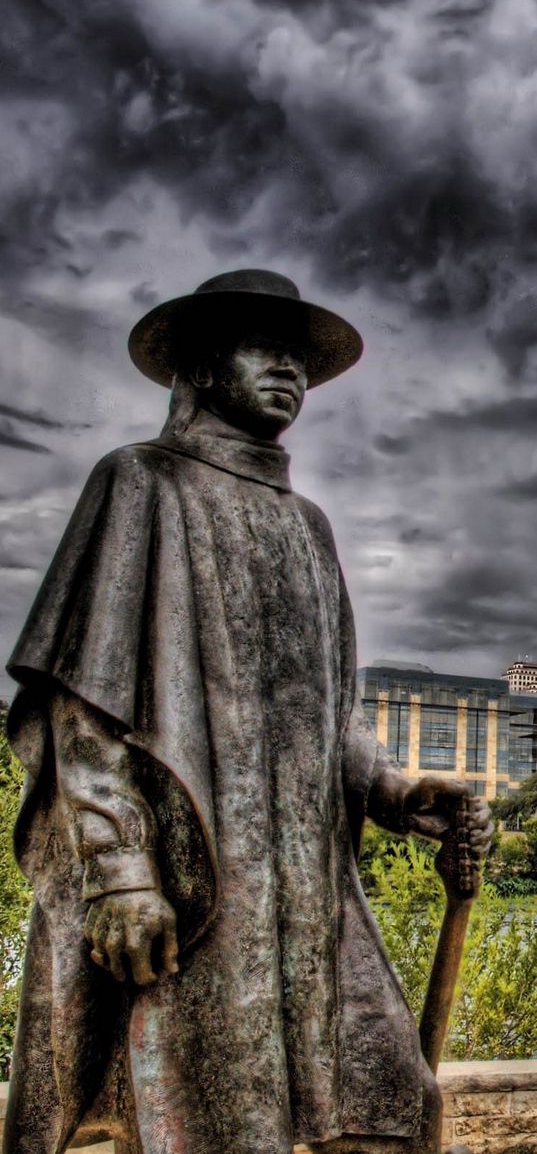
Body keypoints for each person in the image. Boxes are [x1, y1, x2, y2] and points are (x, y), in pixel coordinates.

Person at [4, 270, 490, 1154]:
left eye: (300, 357)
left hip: (310, 892)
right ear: (198, 365)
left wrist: (391, 786)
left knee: (389, 1099)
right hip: (197, 887)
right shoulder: (138, 484)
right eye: (263, 347)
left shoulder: (307, 526)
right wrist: (119, 867)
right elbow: (85, 706)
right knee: (213, 1125)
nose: (290, 371)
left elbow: (328, 707)